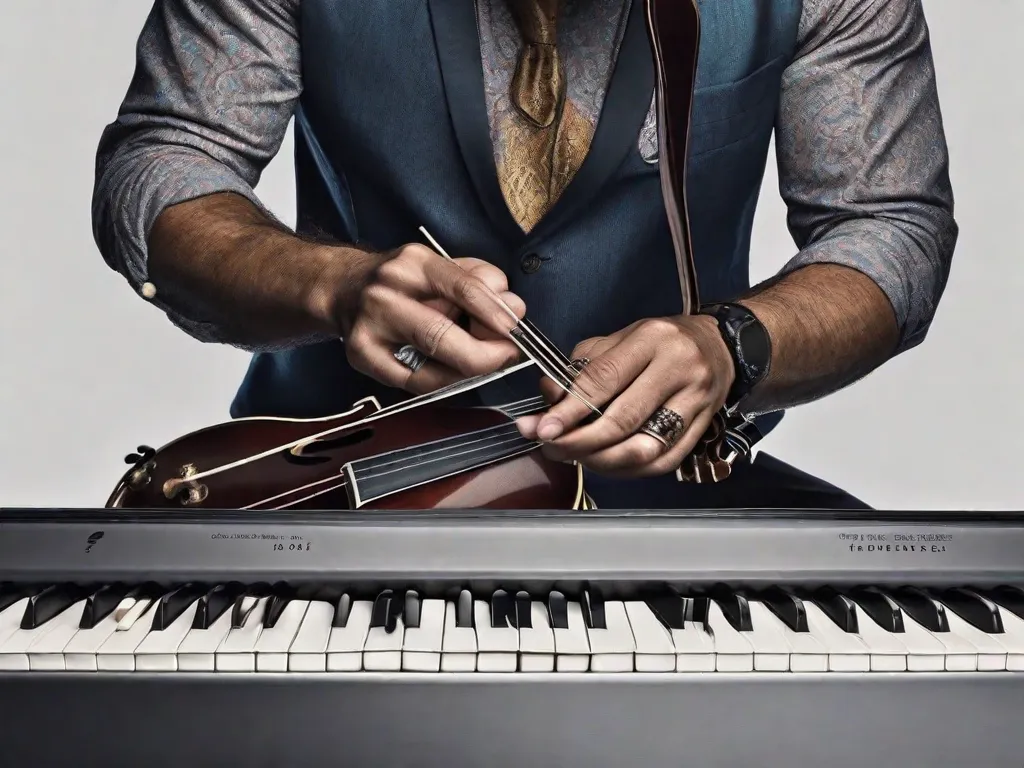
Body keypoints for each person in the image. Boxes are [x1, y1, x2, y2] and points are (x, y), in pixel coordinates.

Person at [92, 0, 957, 510]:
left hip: (673, 500)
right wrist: (332, 283)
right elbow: (167, 158)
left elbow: (888, 225)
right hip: (340, 484)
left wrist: (730, 346)